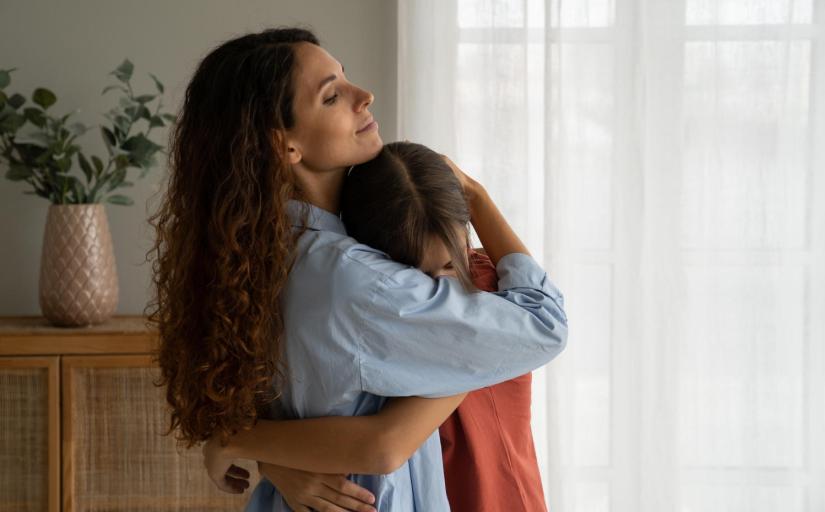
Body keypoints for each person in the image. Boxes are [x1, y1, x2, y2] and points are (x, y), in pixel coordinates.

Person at [148, 27, 567, 512]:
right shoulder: (356, 280)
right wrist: (474, 194)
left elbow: (310, 402)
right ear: (285, 145)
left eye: (345, 78)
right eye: (332, 96)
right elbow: (544, 325)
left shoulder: (258, 256)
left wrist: (249, 445)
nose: (364, 96)